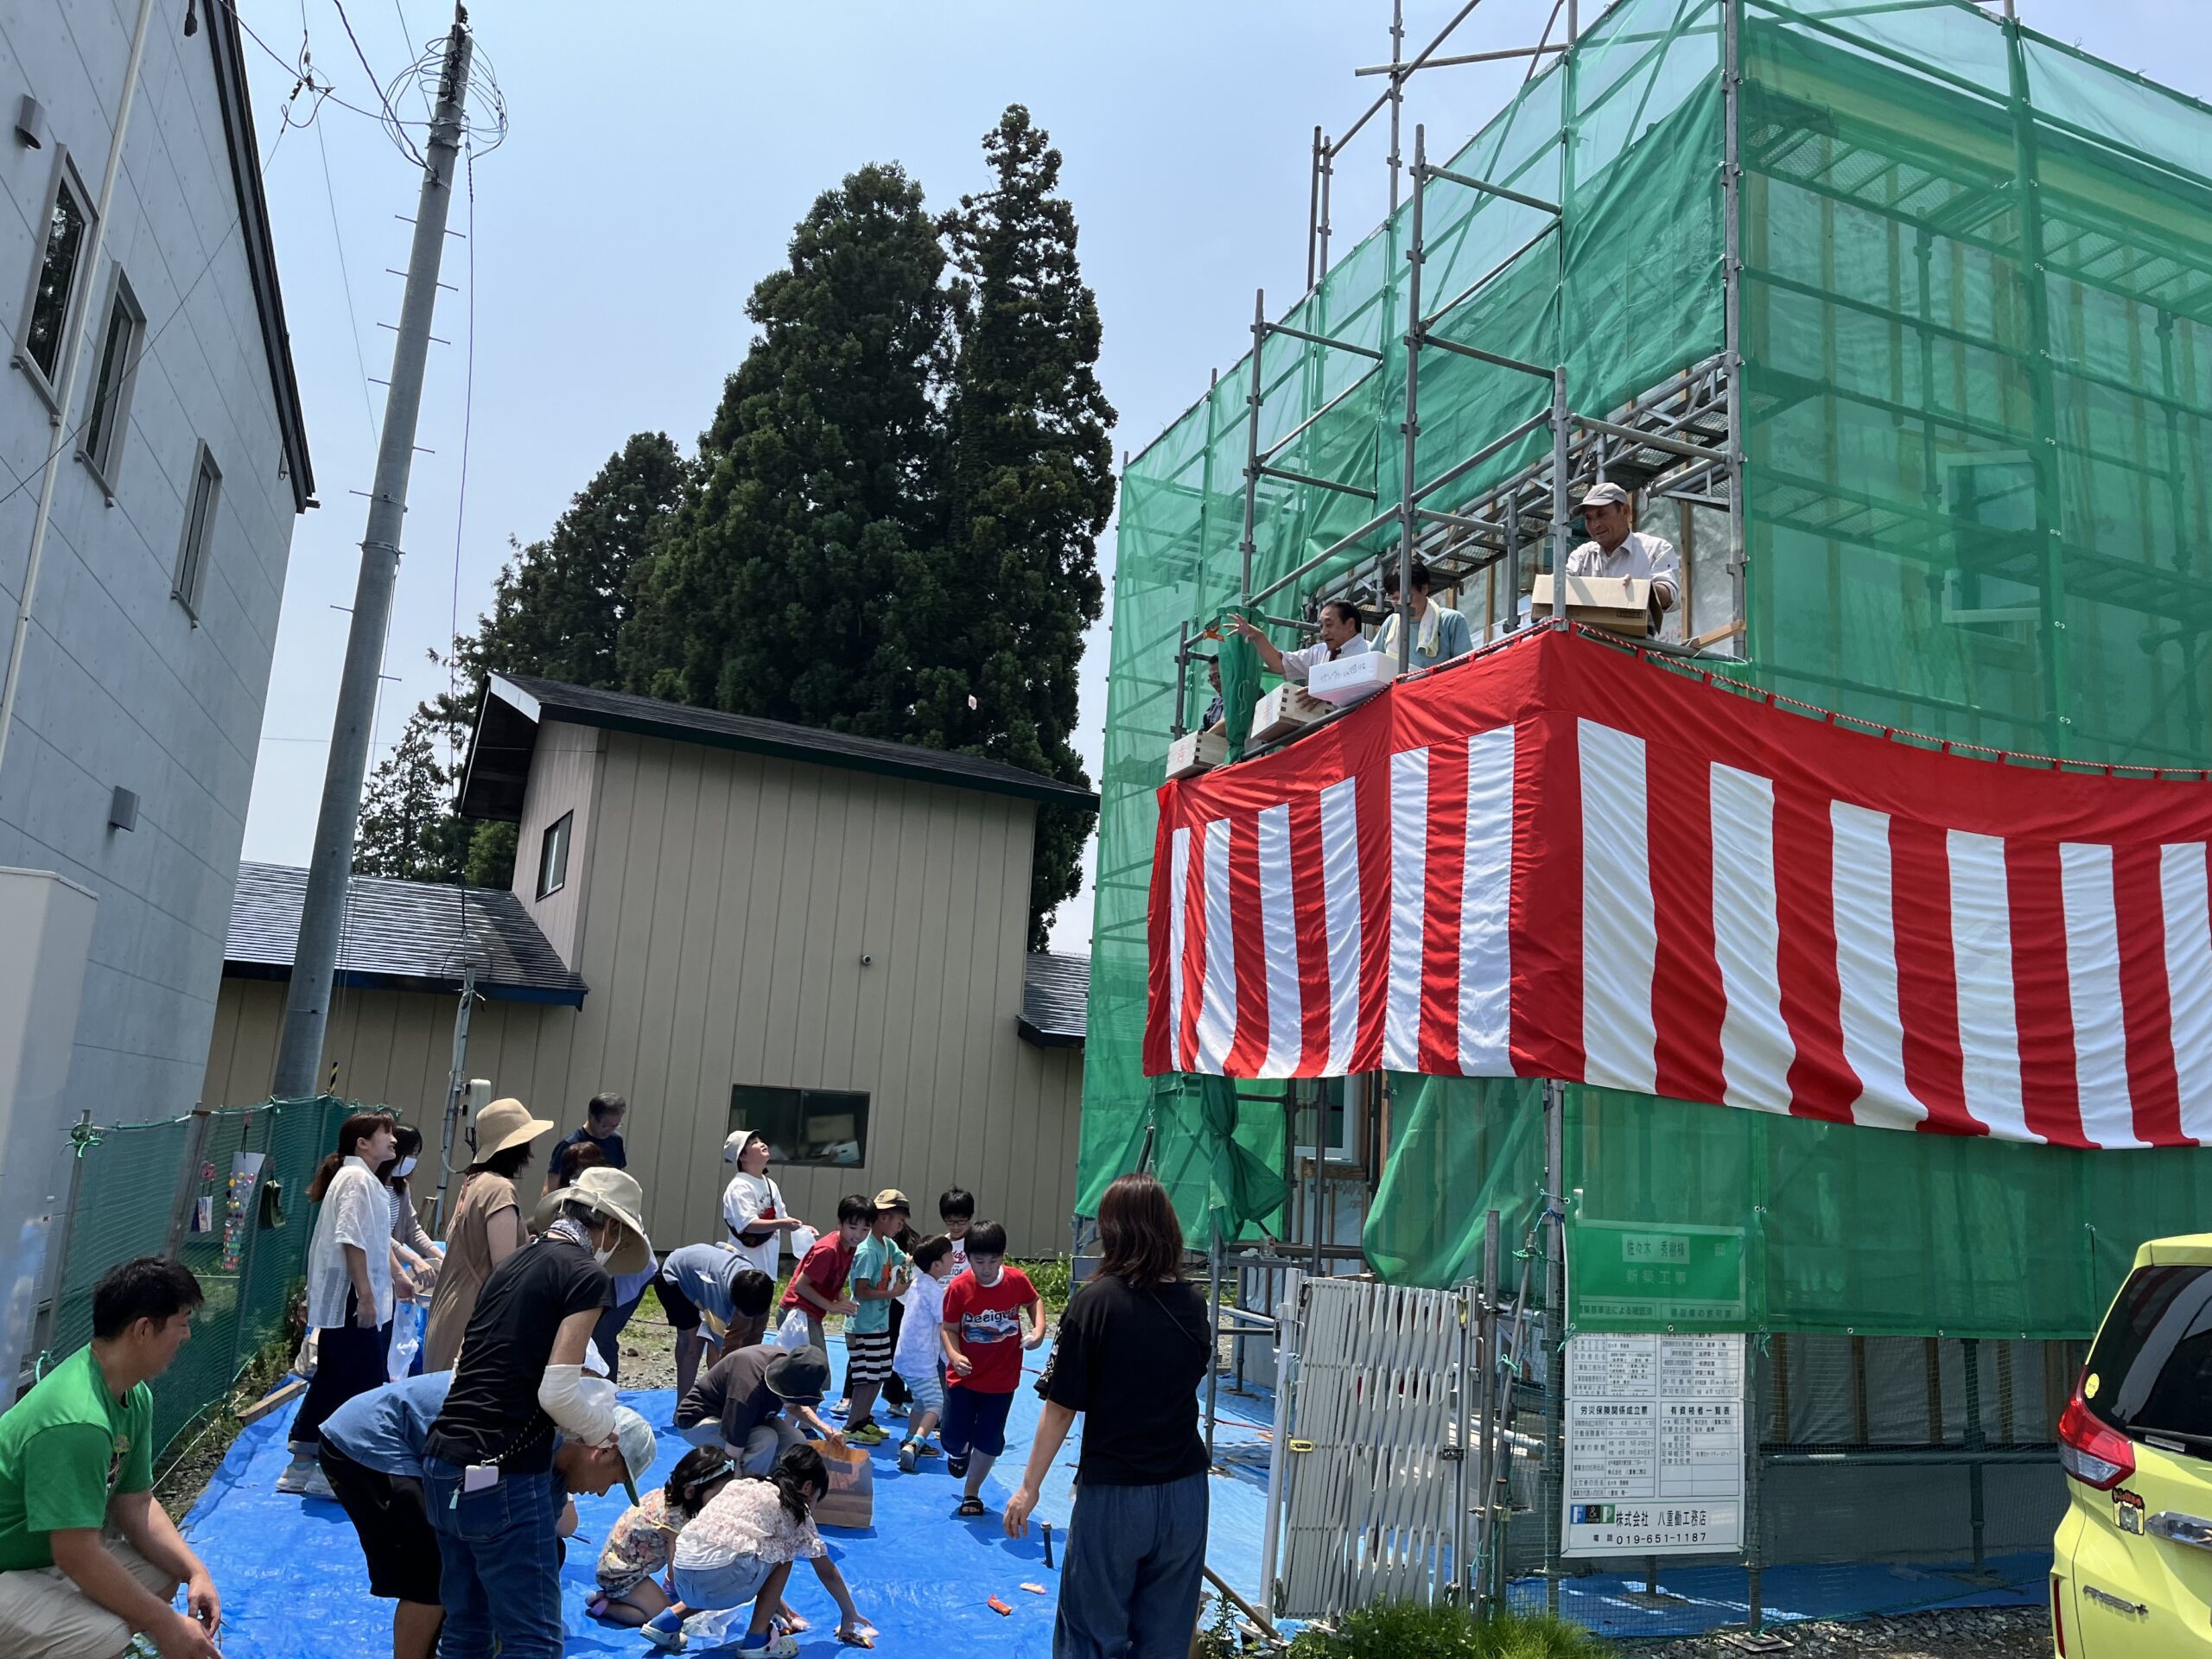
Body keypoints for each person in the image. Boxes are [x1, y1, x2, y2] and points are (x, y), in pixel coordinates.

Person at [421, 1164, 656, 1659]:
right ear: (610, 1226)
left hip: (443, 1463)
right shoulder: (585, 1274)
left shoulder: (514, 1263)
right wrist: (602, 1431)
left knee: (467, 1630)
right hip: (505, 1471)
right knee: (535, 1641)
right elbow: (558, 1392)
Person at [1007, 1173, 1211, 1659]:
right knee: (1166, 1635)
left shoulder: (1095, 1303)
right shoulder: (1193, 1303)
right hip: (1185, 1490)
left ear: (1113, 1230)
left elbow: (1060, 1408)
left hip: (1117, 1494)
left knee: (1091, 1633)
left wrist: (1029, 1486)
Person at [322, 1368, 652, 1659]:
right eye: (614, 1482)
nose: (601, 1493)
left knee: (536, 1550)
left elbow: (533, 1550)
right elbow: (472, 1494)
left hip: (439, 1457)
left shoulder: (554, 1470)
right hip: (372, 1437)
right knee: (430, 1568)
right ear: (604, 1453)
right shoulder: (531, 1435)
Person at [0, 1256, 220, 1659]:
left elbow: (136, 1503)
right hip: (11, 1571)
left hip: (41, 1560)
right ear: (143, 1329)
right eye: (182, 1322)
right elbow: (76, 1553)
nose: (187, 1335)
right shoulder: (78, 1420)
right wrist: (165, 1625)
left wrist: (195, 1572)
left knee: (162, 1574)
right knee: (101, 1637)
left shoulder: (133, 1395)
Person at [645, 1444, 875, 1656]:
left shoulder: (743, 1484)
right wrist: (849, 1612)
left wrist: (778, 1606)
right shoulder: (793, 1510)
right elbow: (827, 1571)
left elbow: (725, 1551)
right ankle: (758, 1640)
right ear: (807, 1488)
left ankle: (666, 1621)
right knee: (784, 1553)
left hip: (684, 1573)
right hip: (722, 1576)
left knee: (724, 1562)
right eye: (817, 1498)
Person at [280, 1110, 400, 1495]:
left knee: (335, 1378)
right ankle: (332, 1471)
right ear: (362, 1143)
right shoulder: (356, 1179)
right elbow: (352, 1238)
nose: (393, 1141)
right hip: (353, 1295)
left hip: (353, 1293)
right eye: (386, 1133)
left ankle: (302, 1462)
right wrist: (365, 1296)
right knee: (363, 1383)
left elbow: (373, 1239)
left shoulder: (362, 1179)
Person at [423, 1096, 553, 1373]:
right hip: (476, 1319)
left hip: (450, 1310)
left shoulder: (473, 1183)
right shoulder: (499, 1189)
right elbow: (504, 1268)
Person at [939, 1220, 1046, 1519]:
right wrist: (954, 1354)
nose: (986, 1268)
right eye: (979, 1261)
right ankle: (959, 1452)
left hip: (1002, 1379)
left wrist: (1038, 1331)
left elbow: (1034, 1301)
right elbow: (948, 1328)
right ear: (968, 1257)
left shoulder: (1015, 1280)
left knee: (989, 1439)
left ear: (1003, 1257)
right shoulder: (959, 1289)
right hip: (964, 1377)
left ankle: (971, 1492)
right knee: (951, 1437)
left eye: (993, 1260)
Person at [591, 1446, 735, 1628]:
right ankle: (604, 1606)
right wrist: (694, 1593)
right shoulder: (674, 1521)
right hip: (621, 1575)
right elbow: (678, 1563)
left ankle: (621, 1597)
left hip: (618, 1562)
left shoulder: (674, 1498)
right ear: (690, 1492)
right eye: (717, 1497)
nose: (723, 1503)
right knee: (662, 1615)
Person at [673, 1344, 842, 1475]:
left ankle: (776, 1485)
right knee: (764, 1440)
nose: (793, 1403)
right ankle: (749, 1494)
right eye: (792, 1397)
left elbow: (795, 1407)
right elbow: (733, 1455)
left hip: (751, 1416)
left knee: (795, 1438)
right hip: (699, 1420)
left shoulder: (789, 1365)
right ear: (780, 1387)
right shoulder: (747, 1392)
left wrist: (825, 1428)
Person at [839, 1192, 912, 1447]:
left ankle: (864, 1419)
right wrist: (893, 1293)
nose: (901, 1227)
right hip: (862, 1326)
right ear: (883, 1217)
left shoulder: (887, 1245)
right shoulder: (867, 1250)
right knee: (866, 1377)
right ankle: (852, 1425)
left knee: (879, 1373)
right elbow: (860, 1291)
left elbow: (906, 1260)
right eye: (899, 1222)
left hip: (878, 1325)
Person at [655, 1245, 775, 1399]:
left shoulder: (758, 1284)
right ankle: (682, 1408)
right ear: (735, 1306)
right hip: (674, 1277)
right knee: (693, 1346)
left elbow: (754, 1338)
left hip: (705, 1268)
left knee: (749, 1336)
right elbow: (717, 1355)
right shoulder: (719, 1302)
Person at [1566, 480, 1680, 632]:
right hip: (1585, 645)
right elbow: (1558, 587)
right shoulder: (1582, 555)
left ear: (1626, 511)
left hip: (1632, 648)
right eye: (1588, 518)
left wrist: (1642, 589)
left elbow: (1669, 595)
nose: (1595, 525)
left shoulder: (1655, 548)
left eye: (1602, 515)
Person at [893, 1235, 956, 1474]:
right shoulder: (932, 1291)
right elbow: (945, 1325)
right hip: (920, 1360)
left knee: (920, 1401)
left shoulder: (920, 1282)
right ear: (937, 1264)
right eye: (949, 1255)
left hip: (905, 1358)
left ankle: (910, 1439)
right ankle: (914, 1444)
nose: (953, 1258)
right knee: (935, 1403)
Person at [776, 1195, 867, 1354]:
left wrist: (842, 1299)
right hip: (797, 1313)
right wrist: (831, 1306)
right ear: (840, 1223)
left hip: (810, 1313)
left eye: (865, 1229)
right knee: (816, 1369)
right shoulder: (828, 1250)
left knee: (808, 1370)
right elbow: (801, 1285)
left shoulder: (850, 1246)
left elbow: (831, 1279)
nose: (858, 1235)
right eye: (853, 1228)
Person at [720, 1129, 801, 1282]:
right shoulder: (739, 1186)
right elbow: (749, 1224)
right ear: (742, 1156)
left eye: (760, 1140)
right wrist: (782, 1223)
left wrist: (802, 1228)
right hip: (744, 1271)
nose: (762, 1144)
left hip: (767, 1270)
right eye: (754, 1143)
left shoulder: (770, 1184)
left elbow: (782, 1221)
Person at [1227, 600, 1367, 683]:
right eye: (1321, 626)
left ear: (1349, 624)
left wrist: (1320, 693)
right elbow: (1279, 664)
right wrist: (1259, 637)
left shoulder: (1369, 653)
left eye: (1329, 625)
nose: (1323, 632)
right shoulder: (1319, 652)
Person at [1376, 559, 1474, 670]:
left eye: (1406, 598)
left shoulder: (1451, 621)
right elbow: (1372, 663)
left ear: (1424, 589)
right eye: (1394, 598)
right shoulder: (1391, 623)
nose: (1400, 604)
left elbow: (1466, 668)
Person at [546, 1091, 629, 1190]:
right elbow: (550, 1189)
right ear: (591, 1117)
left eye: (615, 1126)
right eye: (605, 1126)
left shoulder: (616, 1141)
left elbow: (619, 1179)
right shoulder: (569, 1144)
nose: (610, 1130)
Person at [938, 1188, 975, 1279]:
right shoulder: (940, 1244)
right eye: (950, 1221)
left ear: (970, 1218)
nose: (956, 1227)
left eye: (961, 1221)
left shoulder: (976, 1242)